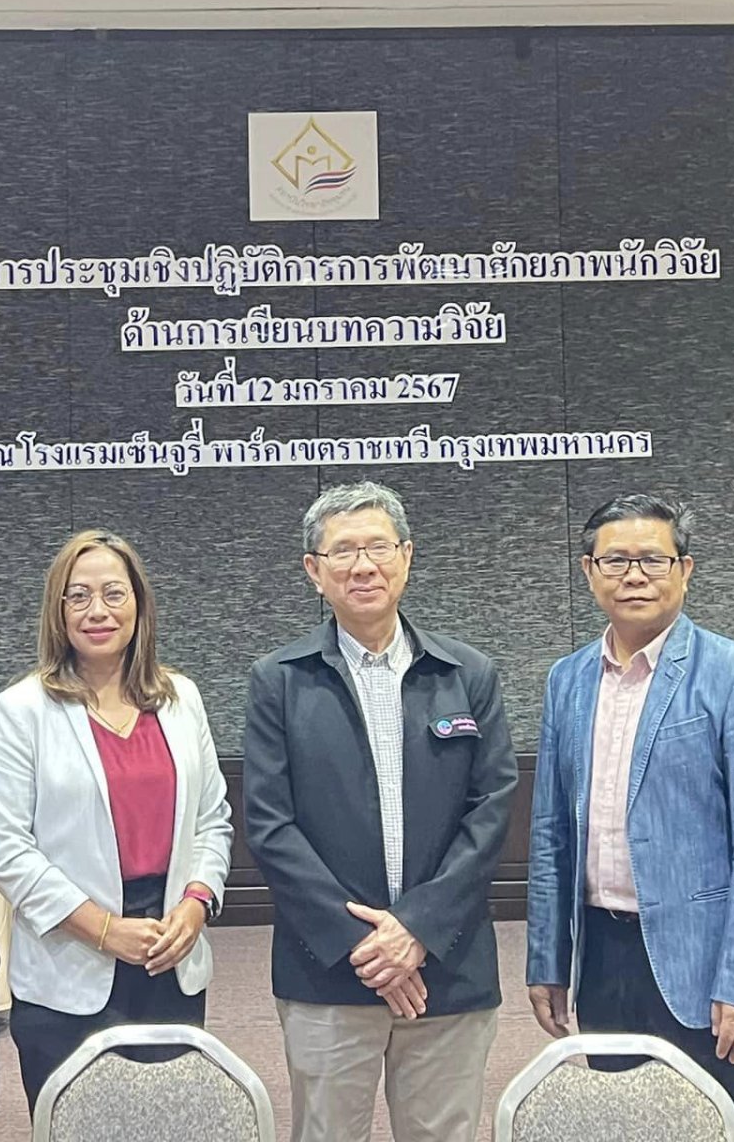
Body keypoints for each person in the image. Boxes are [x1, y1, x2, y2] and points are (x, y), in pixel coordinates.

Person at [244, 481, 517, 1142]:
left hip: (447, 965)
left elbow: (490, 811)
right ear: (314, 570)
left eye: (378, 548)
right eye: (343, 551)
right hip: (328, 968)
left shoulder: (466, 673)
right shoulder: (279, 680)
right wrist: (367, 944)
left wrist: (415, 929)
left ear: (407, 557)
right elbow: (269, 824)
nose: (363, 566)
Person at [525, 494, 734, 1142]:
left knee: (712, 1127)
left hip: (705, 962)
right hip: (601, 955)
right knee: (620, 1128)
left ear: (685, 569)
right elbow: (550, 833)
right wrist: (547, 960)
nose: (635, 575)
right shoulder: (568, 680)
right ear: (588, 571)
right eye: (615, 560)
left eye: (653, 559)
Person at [0, 529, 233, 1110]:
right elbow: (5, 847)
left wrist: (195, 905)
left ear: (139, 605)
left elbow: (213, 819)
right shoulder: (22, 710)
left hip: (170, 950)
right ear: (58, 610)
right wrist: (103, 929)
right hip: (71, 962)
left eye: (114, 594)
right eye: (79, 596)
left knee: (169, 1119)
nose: (98, 611)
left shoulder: (182, 698)